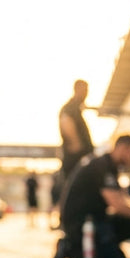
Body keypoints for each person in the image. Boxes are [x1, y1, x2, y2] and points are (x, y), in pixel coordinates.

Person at [52, 135, 130, 258]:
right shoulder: (101, 165)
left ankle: (95, 245)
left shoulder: (108, 165)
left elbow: (123, 199)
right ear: (123, 148)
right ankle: (70, 247)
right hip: (81, 225)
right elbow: (117, 204)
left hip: (93, 220)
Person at [52, 79, 94, 224]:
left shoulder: (76, 108)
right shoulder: (70, 108)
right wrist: (79, 152)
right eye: (85, 90)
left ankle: (73, 221)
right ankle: (70, 222)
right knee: (74, 191)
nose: (87, 94)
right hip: (75, 159)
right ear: (78, 89)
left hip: (77, 158)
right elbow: (67, 126)